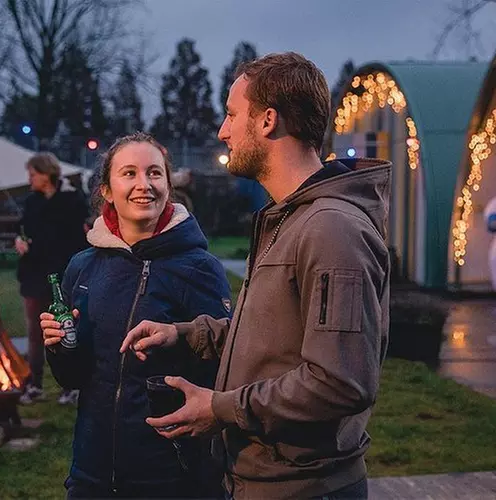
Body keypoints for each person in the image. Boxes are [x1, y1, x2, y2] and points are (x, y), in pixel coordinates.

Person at [120, 53, 391, 499]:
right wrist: (183, 334)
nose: (222, 131)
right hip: (261, 482)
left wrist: (220, 408)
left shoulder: (331, 229)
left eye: (231, 115)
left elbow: (340, 382)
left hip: (305, 489)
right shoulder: (286, 217)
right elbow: (273, 337)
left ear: (268, 121)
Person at [41, 132, 233, 498]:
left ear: (168, 187)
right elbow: (72, 378)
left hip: (173, 475)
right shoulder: (82, 268)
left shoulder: (200, 268)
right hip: (92, 473)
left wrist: (178, 339)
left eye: (155, 173)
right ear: (107, 191)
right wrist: (59, 346)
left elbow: (224, 366)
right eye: (129, 173)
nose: (143, 185)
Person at [16, 152, 89, 405]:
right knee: (35, 332)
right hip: (34, 275)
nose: (30, 179)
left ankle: (71, 385)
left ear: (47, 174)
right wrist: (21, 242)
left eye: (33, 174)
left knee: (67, 328)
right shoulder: (31, 202)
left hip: (63, 275)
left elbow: (72, 239)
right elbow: (24, 230)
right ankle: (35, 384)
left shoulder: (71, 200)